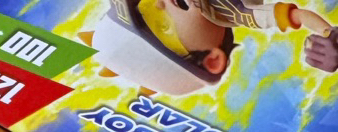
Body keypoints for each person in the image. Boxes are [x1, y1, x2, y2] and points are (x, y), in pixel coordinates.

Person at [93, 0, 337, 94]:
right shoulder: (235, 11)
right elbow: (299, 16)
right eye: (164, 25)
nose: (159, 4)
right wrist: (330, 35)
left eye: (145, 5)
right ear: (212, 60)